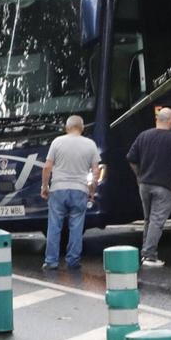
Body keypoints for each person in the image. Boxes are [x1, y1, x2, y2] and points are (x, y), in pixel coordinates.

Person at [125, 106, 171, 268]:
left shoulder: (144, 135)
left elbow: (131, 158)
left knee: (149, 219)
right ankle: (149, 255)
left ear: (157, 120)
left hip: (144, 185)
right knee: (157, 221)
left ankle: (146, 252)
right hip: (164, 186)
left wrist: (139, 176)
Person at [40, 114, 100, 272]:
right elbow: (95, 171)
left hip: (58, 189)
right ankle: (73, 261)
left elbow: (47, 167)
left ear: (67, 128)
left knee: (54, 226)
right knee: (76, 227)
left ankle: (51, 261)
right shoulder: (90, 144)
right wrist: (92, 190)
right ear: (82, 128)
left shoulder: (57, 142)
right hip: (80, 190)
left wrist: (44, 187)